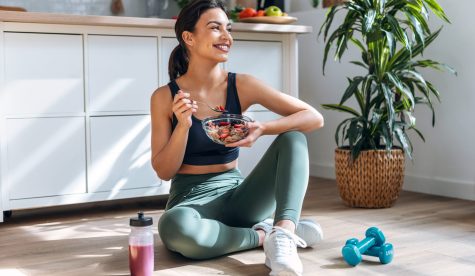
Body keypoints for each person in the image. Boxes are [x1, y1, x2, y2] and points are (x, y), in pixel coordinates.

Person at [150, 0, 324, 275]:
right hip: (190, 201)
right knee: (175, 228)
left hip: (240, 197)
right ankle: (264, 235)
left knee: (293, 138)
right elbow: (164, 170)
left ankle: (284, 232)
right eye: (215, 28)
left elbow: (313, 117)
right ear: (189, 37)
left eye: (228, 29)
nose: (227, 37)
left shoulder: (241, 85)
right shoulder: (164, 97)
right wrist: (182, 125)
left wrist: (263, 128)